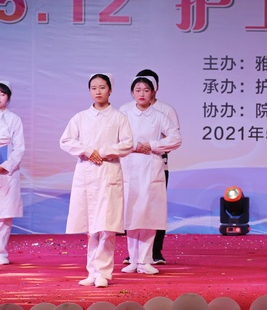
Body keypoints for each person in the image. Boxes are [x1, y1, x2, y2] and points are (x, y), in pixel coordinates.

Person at [60, 74, 133, 288]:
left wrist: (102, 152)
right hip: (86, 174)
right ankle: (92, 271)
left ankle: (103, 272)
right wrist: (86, 151)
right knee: (91, 227)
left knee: (107, 226)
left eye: (102, 87)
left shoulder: (119, 117)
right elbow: (65, 140)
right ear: (89, 91)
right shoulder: (80, 117)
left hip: (108, 172)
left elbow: (127, 144)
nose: (98, 91)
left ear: (110, 90)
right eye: (94, 88)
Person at [119, 76, 181, 275]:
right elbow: (115, 138)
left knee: (149, 215)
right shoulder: (124, 114)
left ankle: (146, 260)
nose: (142, 94)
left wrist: (152, 145)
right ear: (132, 93)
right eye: (138, 90)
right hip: (129, 167)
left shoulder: (160, 116)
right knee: (131, 215)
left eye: (146, 90)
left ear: (153, 92)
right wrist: (135, 147)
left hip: (151, 167)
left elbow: (176, 139)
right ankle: (133, 259)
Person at [0, 82, 25, 265]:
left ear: (8, 97)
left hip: (6, 172)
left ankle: (0, 252)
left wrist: (6, 165)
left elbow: (19, 148)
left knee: (5, 213)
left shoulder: (14, 119)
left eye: (2, 94)